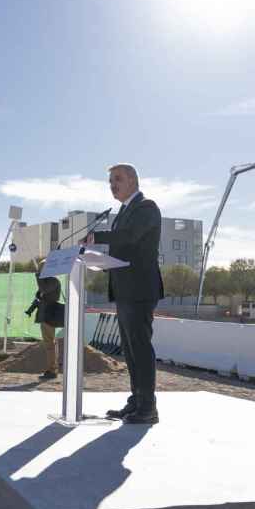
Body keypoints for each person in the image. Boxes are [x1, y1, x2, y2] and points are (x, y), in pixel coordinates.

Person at [87, 164, 164, 425]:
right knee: (130, 350)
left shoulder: (147, 207)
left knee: (140, 348)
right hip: (124, 290)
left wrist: (96, 237)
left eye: (117, 179)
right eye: (110, 181)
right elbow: (121, 245)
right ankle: (136, 402)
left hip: (140, 289)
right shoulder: (121, 212)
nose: (113, 185)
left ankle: (148, 408)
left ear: (132, 180)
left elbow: (130, 237)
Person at [27, 261, 64, 380]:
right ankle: (52, 368)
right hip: (46, 315)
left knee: (49, 343)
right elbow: (41, 293)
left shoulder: (53, 281)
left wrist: (38, 276)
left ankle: (52, 370)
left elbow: (44, 289)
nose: (39, 271)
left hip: (49, 315)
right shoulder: (49, 281)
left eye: (41, 269)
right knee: (49, 343)